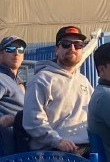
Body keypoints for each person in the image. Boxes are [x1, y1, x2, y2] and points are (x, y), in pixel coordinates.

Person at [23, 25, 97, 153]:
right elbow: (32, 120)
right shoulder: (42, 80)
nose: (72, 48)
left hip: (87, 147)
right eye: (66, 44)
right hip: (55, 151)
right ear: (57, 49)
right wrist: (57, 141)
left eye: (78, 45)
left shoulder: (83, 80)